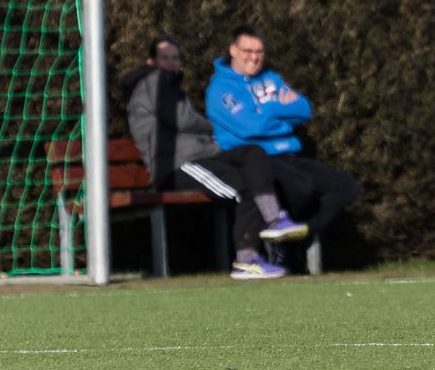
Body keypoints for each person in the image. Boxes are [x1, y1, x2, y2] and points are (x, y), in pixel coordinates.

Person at [122, 36, 308, 280]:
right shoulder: (152, 84)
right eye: (164, 58)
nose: (170, 63)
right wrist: (212, 127)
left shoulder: (171, 88)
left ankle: (274, 218)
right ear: (151, 61)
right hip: (179, 167)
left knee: (252, 153)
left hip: (201, 159)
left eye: (175, 58)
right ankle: (247, 259)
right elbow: (183, 120)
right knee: (243, 187)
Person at [205, 26, 362, 253]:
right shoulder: (220, 89)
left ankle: (303, 234)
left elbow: (305, 109)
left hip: (289, 155)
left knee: (347, 187)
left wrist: (265, 109)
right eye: (248, 50)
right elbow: (251, 127)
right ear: (233, 50)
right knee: (300, 187)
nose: (254, 56)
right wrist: (280, 110)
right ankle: (284, 249)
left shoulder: (271, 78)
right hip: (256, 161)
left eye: (259, 51)